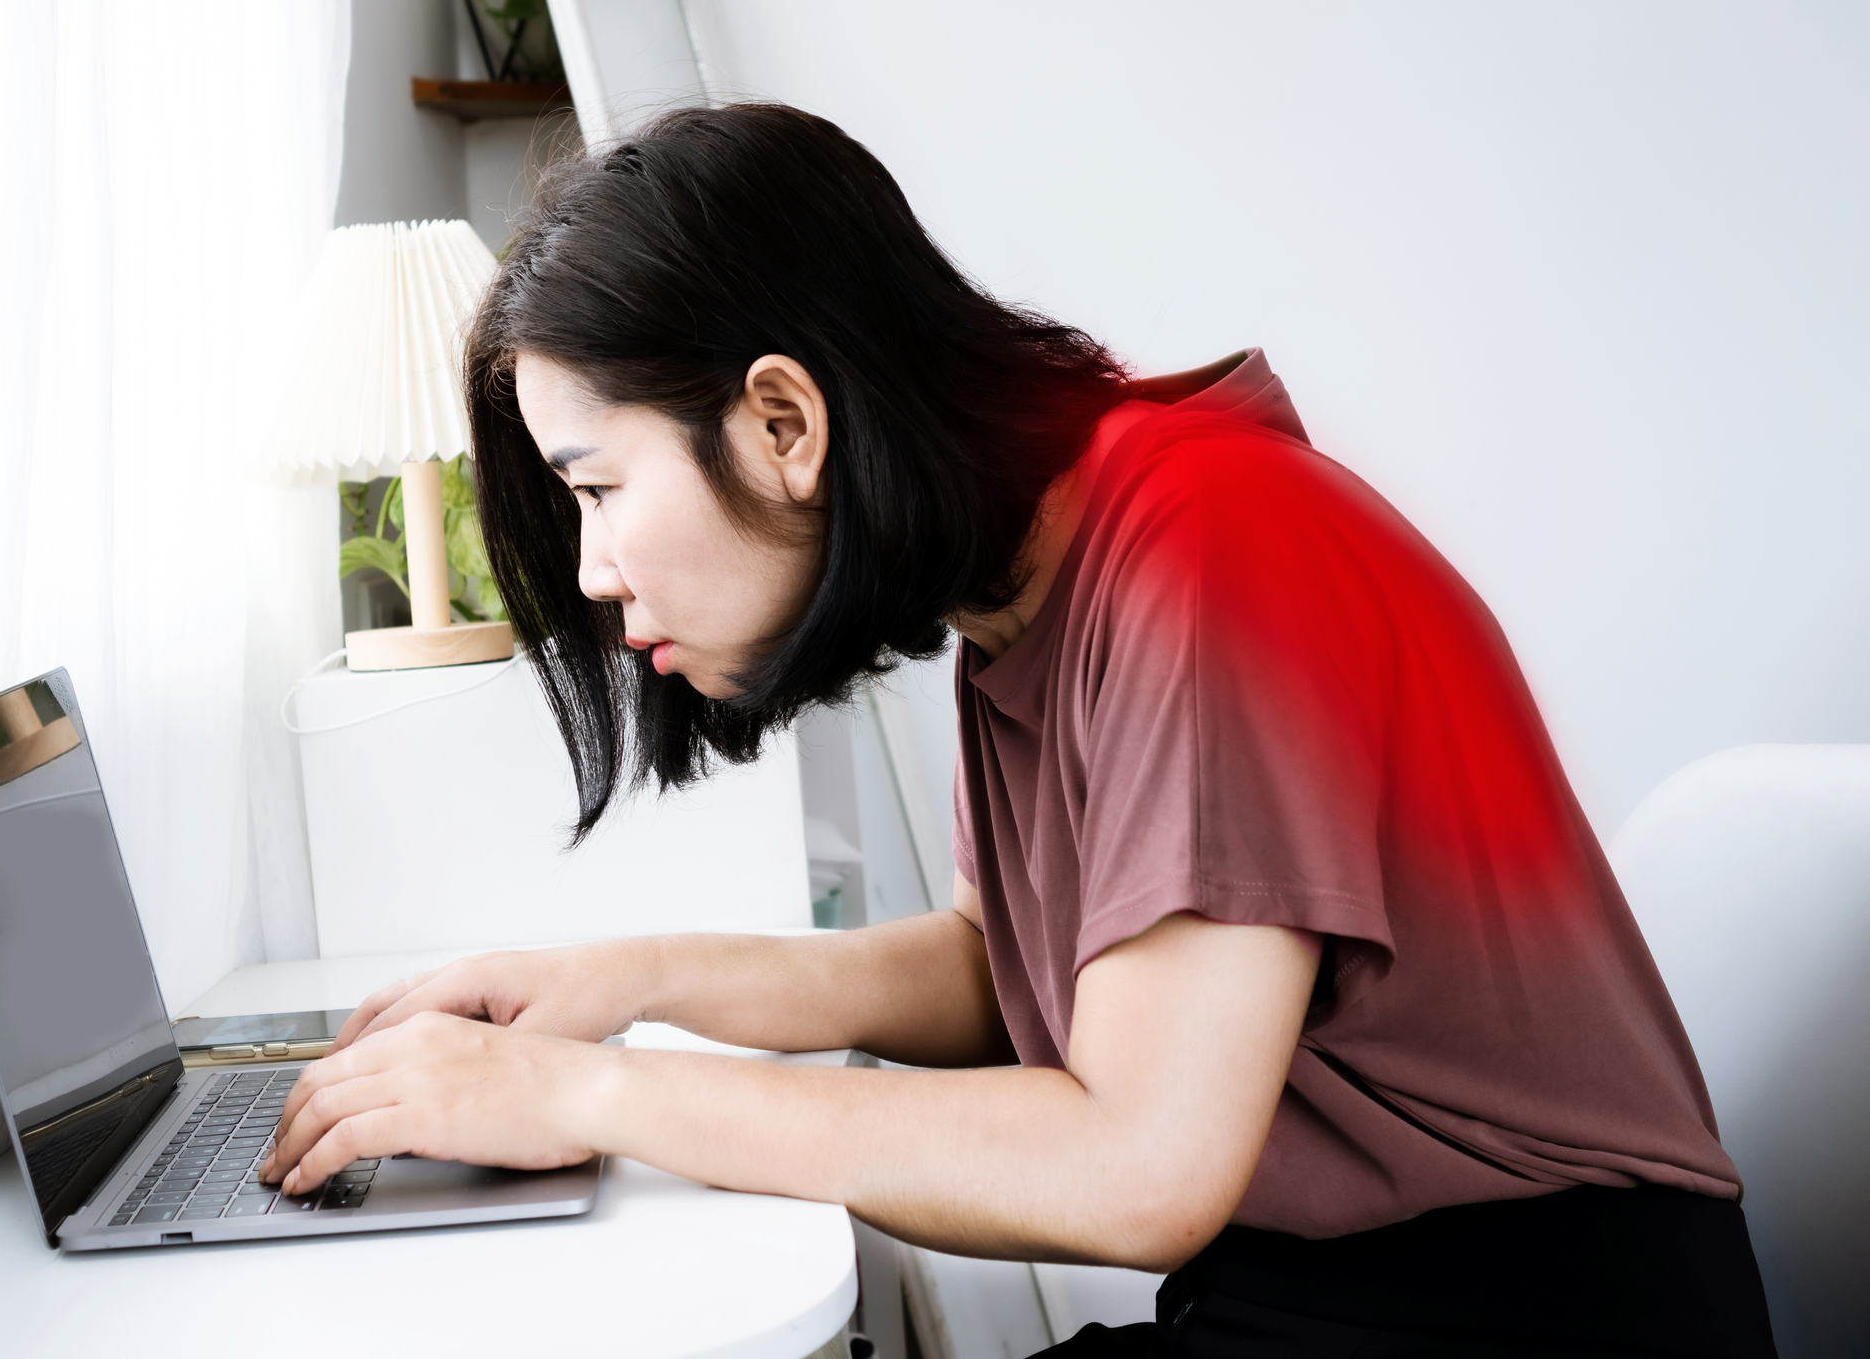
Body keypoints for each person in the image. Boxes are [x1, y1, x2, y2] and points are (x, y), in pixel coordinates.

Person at [260, 104, 1774, 1356]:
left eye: (596, 489)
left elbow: (1136, 1162)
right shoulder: (1037, 580)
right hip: (1341, 1295)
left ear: (783, 425)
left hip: (1519, 1313)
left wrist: (592, 1094)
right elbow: (1018, 975)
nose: (592, 574)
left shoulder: (1206, 551)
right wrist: (619, 985)